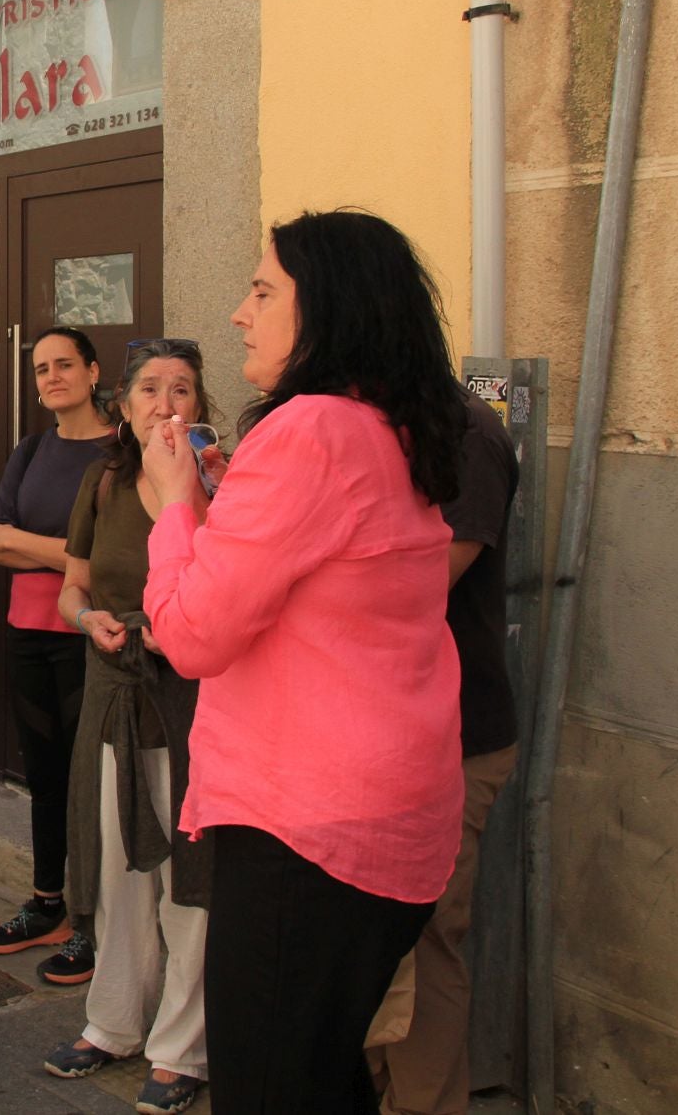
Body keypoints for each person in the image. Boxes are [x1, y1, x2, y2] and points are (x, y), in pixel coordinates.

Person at [141, 210, 468, 1110]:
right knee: (322, 1072)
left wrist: (174, 505)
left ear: (325, 309)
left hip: (308, 831)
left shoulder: (310, 430)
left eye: (262, 291)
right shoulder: (393, 425)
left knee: (271, 1086)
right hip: (385, 820)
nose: (241, 315)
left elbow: (193, 634)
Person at [38, 339, 219, 1115]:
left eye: (182, 389)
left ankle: (183, 1048)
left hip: (196, 707)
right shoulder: (103, 484)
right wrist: (90, 623)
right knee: (118, 871)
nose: (166, 402)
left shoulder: (223, 485)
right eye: (150, 388)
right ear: (124, 405)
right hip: (115, 697)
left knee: (191, 884)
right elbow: (69, 589)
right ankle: (112, 1023)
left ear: (200, 409)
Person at [367, 389, 521, 1115]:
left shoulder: (467, 433)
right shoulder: (366, 425)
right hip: (373, 736)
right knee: (371, 944)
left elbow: (420, 585)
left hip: (454, 739)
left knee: (426, 942)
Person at [0, 327, 113, 985]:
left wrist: (29, 544)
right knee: (45, 776)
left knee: (92, 784)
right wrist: (63, 549)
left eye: (64, 365)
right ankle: (48, 903)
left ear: (92, 371)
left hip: (88, 639)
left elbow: (107, 556)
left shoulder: (120, 452)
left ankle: (92, 920)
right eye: (41, 369)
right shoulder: (30, 450)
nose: (52, 377)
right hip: (27, 631)